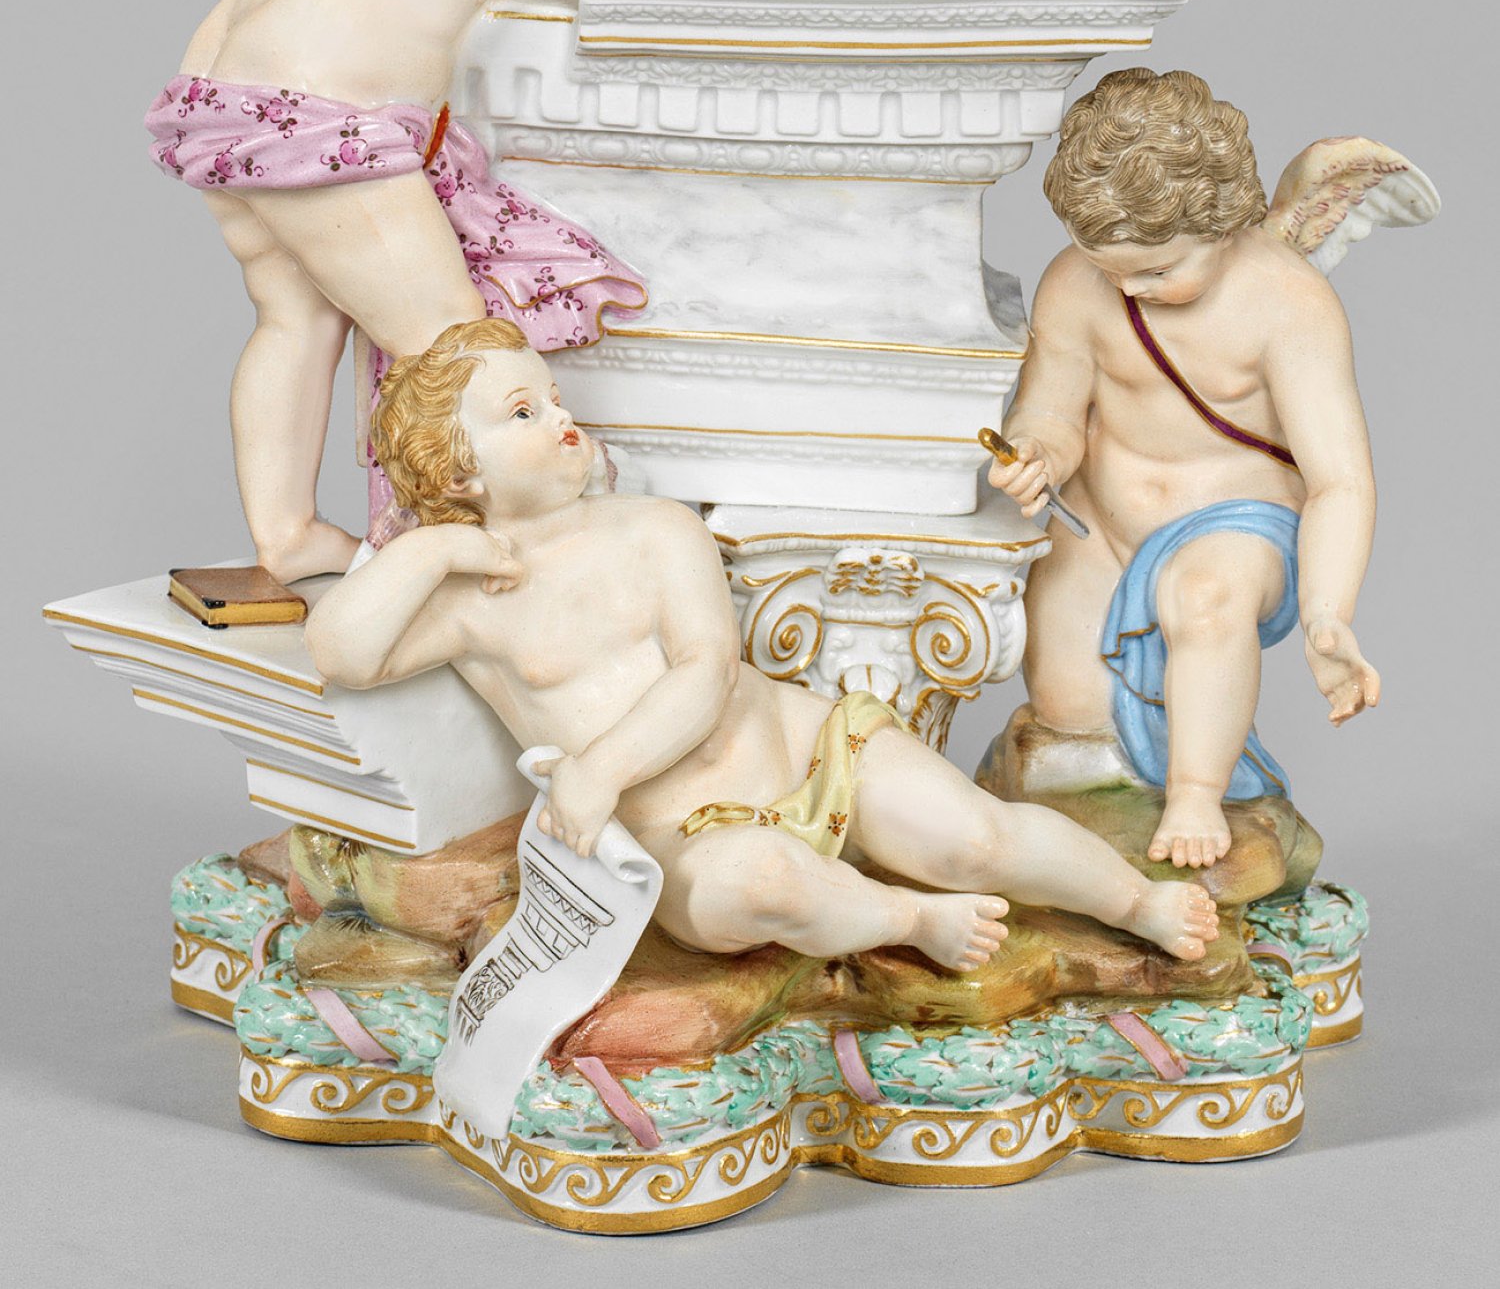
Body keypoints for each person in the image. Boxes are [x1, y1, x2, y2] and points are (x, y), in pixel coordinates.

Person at [146, 0, 894, 582]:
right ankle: (448, 562)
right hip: (318, 106)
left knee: (299, 318)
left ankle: (287, 534)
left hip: (247, 90)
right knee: (459, 349)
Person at [304, 320, 1219, 974]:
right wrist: (428, 551)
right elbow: (340, 652)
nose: (559, 418)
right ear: (461, 469)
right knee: (756, 887)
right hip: (686, 836)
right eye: (522, 413)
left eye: (554, 397)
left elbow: (707, 670)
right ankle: (908, 920)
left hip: (808, 752)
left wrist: (600, 769)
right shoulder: (473, 605)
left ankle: (1134, 901)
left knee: (977, 839)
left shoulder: (653, 527)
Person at [988, 69, 1379, 870]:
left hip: (1238, 523)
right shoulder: (1076, 282)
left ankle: (1197, 795)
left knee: (1204, 601)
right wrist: (1036, 454)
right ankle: (1080, 846)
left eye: (1158, 271)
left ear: (1224, 223)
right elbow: (1053, 408)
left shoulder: (1287, 302)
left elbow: (1340, 479)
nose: (1131, 289)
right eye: (1111, 269)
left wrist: (1328, 614)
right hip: (1099, 524)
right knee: (1067, 706)